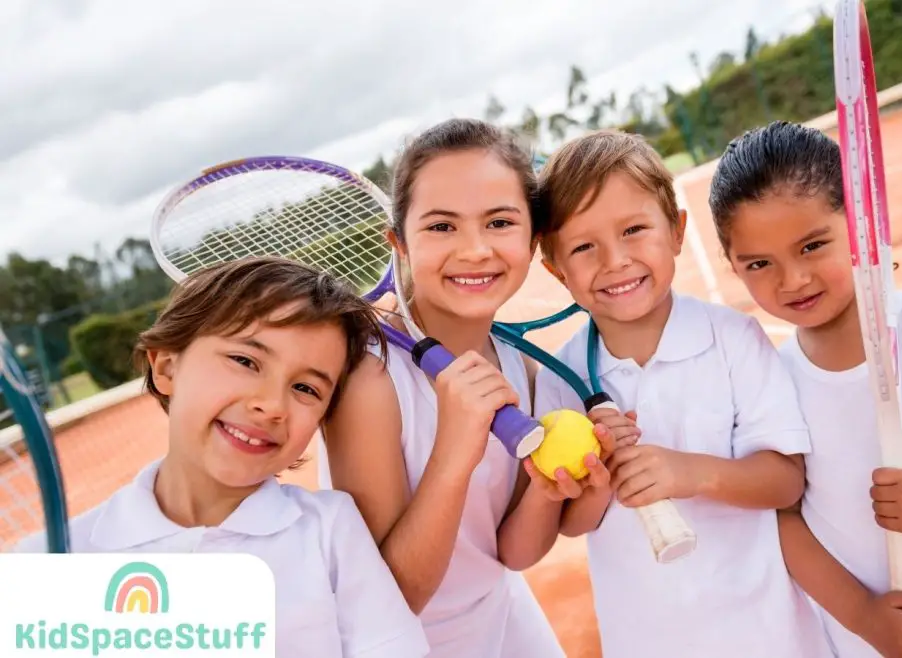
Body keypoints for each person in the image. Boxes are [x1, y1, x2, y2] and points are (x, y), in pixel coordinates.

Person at [708, 120, 902, 657]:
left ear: (861, 220)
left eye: (812, 245)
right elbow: (785, 520)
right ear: (735, 269)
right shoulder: (769, 381)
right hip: (871, 645)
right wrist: (865, 618)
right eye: (759, 264)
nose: (793, 280)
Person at [17, 256, 430, 658]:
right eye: (245, 361)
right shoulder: (45, 562)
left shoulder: (332, 531)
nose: (271, 405)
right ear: (165, 367)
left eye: (306, 389)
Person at [528, 129, 833, 657]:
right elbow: (572, 522)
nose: (615, 260)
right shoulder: (561, 373)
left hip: (771, 637)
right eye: (583, 247)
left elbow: (785, 481)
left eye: (634, 230)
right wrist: (597, 474)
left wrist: (688, 472)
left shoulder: (733, 338)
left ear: (676, 231)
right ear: (557, 270)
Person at [319, 118, 566, 658]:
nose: (475, 250)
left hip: (504, 618)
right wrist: (456, 448)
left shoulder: (519, 368)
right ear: (399, 244)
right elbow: (393, 597)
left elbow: (512, 554)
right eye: (441, 226)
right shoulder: (369, 380)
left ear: (533, 237)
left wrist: (552, 490)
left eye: (500, 222)